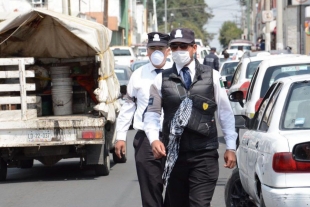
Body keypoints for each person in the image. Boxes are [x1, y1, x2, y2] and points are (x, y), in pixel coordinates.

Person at [143, 28, 237, 207]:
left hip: (204, 155)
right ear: (170, 50)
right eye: (175, 46)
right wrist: (154, 139)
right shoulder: (161, 80)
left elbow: (225, 113)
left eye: (183, 46)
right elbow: (152, 113)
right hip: (174, 157)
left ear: (194, 48)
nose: (179, 50)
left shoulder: (212, 76)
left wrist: (231, 146)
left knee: (199, 204)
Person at [114, 32, 172, 207]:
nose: (156, 52)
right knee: (151, 189)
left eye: (160, 48)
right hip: (146, 140)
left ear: (168, 51)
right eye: (152, 48)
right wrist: (121, 137)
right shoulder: (138, 75)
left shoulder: (176, 73)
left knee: (176, 188)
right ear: (146, 51)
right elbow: (128, 106)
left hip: (174, 138)